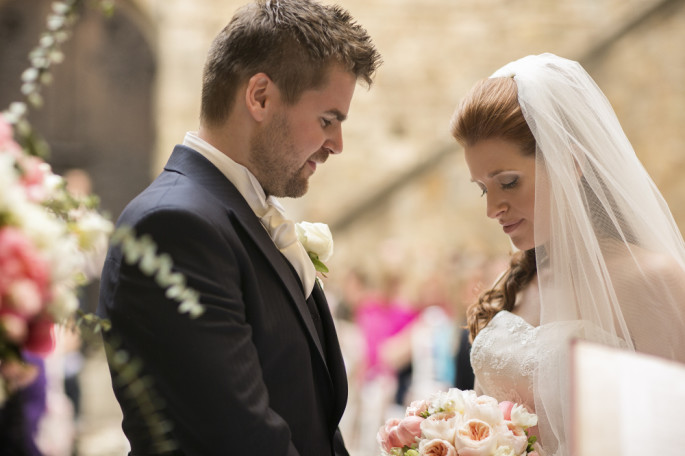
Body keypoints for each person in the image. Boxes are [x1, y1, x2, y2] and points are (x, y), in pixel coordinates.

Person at [97, 1, 381, 454]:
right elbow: (238, 438)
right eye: (328, 120)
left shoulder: (239, 215)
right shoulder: (174, 228)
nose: (337, 145)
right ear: (261, 97)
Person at [450, 53, 685, 455]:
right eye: (484, 189)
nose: (492, 209)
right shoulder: (514, 282)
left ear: (570, 163)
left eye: (508, 182)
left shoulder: (652, 279)